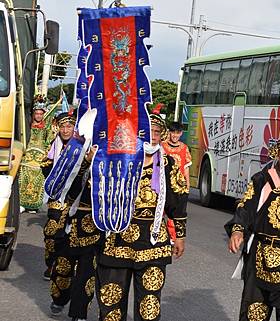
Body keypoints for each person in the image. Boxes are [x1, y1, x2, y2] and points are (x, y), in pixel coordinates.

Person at [95, 112, 188, 321]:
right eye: (148, 132)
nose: (153, 136)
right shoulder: (119, 160)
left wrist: (180, 236)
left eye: (157, 132)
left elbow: (178, 204)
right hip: (117, 239)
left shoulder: (168, 165)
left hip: (153, 241)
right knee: (111, 302)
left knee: (149, 306)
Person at [226, 133, 280, 321]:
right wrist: (238, 229)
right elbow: (246, 205)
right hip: (260, 253)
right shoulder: (262, 179)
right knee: (254, 313)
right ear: (278, 154)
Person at [49, 144, 100, 321]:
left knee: (86, 274)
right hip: (71, 220)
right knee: (63, 269)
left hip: (95, 224)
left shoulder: (113, 156)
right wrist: (86, 161)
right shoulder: (76, 150)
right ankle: (59, 299)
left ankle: (79, 314)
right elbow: (68, 186)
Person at [41, 110, 76, 281]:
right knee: (51, 231)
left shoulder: (79, 147)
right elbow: (45, 165)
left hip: (74, 199)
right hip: (57, 197)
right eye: (63, 126)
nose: (66, 130)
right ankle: (51, 263)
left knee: (69, 236)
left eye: (69, 126)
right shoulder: (54, 146)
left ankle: (64, 267)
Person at [19, 95, 53, 213]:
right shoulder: (26, 126)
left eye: (41, 114)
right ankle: (22, 203)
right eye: (36, 113)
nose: (38, 116)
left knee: (37, 181)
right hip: (26, 157)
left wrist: (46, 155)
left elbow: (49, 141)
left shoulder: (47, 127)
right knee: (24, 180)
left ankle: (33, 206)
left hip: (39, 159)